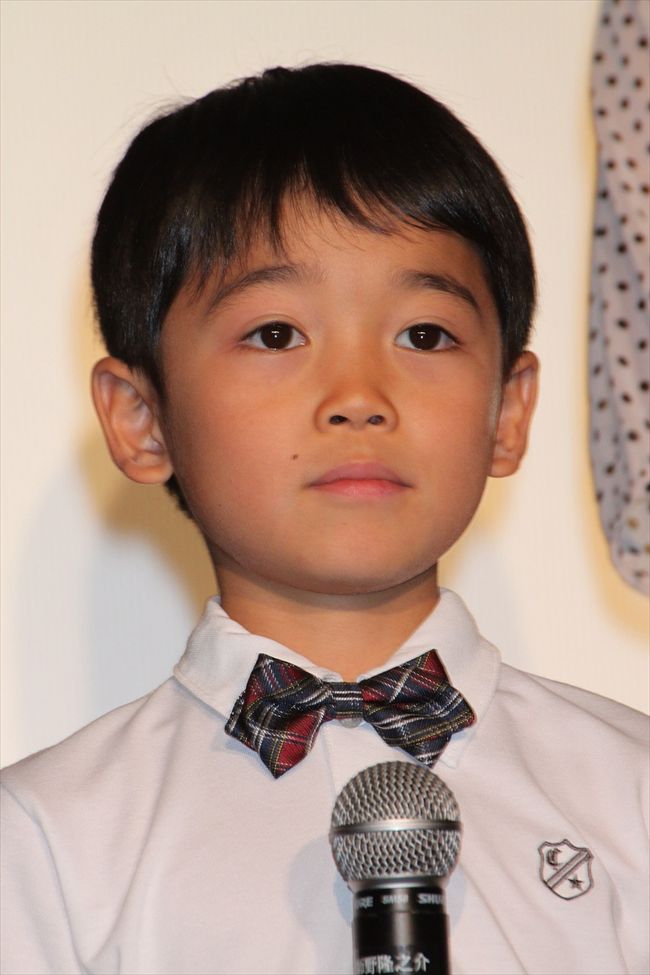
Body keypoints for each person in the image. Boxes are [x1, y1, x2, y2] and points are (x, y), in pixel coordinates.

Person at [1, 63, 647, 975]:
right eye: (276, 334)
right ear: (142, 419)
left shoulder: (630, 789)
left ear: (508, 410)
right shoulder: (47, 839)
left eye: (424, 334)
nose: (358, 395)